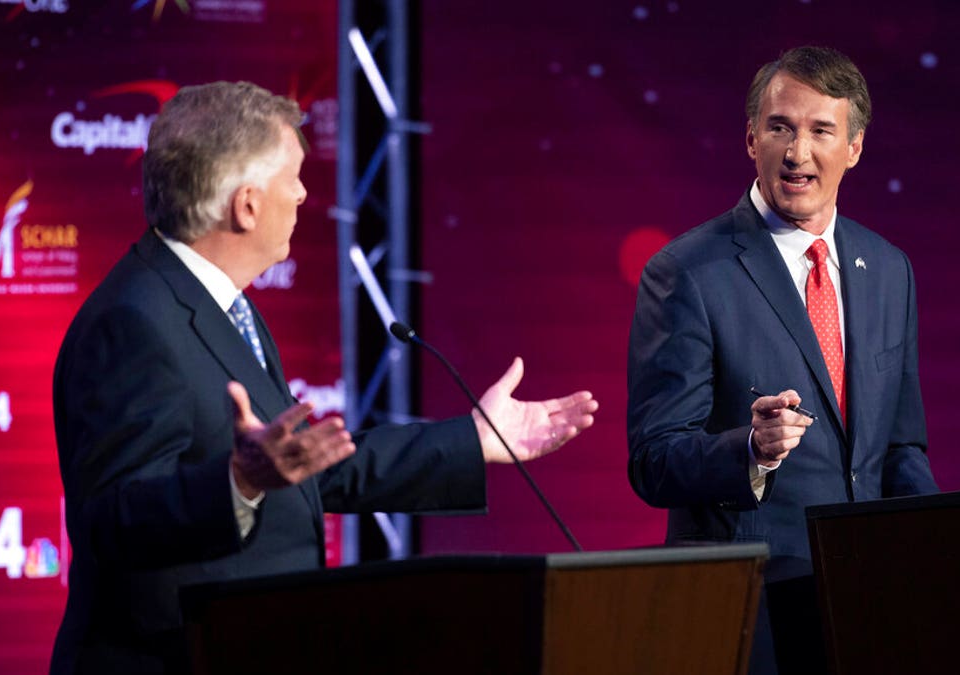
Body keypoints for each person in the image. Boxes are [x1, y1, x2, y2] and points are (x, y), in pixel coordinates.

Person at [50, 81, 598, 675]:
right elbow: (111, 520)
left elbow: (306, 467)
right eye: (294, 178)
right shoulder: (133, 321)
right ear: (248, 205)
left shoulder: (221, 305)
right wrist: (237, 482)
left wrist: (472, 439)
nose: (306, 193)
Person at [626, 46, 938, 674]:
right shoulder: (688, 272)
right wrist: (751, 450)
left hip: (865, 602)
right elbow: (653, 461)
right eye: (780, 128)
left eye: (822, 130)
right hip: (749, 608)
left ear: (853, 147)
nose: (798, 152)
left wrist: (944, 543)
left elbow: (899, 449)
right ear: (751, 140)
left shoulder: (888, 270)